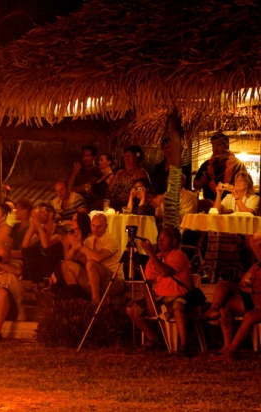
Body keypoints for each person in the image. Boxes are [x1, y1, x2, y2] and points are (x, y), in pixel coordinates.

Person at [127, 225, 192, 355]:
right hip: (158, 297)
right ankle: (152, 338)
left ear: (174, 241)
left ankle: (184, 345)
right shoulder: (154, 258)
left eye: (164, 238)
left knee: (178, 306)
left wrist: (151, 254)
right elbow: (147, 283)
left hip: (176, 296)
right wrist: (149, 300)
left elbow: (165, 272)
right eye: (159, 238)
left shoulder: (178, 256)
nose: (160, 240)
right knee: (131, 307)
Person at [72, 213, 124, 305]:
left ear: (106, 226)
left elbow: (98, 258)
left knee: (91, 263)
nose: (95, 229)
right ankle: (73, 299)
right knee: (67, 265)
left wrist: (81, 246)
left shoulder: (111, 240)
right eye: (93, 226)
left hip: (114, 280)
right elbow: (73, 258)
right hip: (95, 278)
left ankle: (95, 301)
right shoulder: (89, 241)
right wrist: (73, 242)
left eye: (99, 227)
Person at [193, 132, 247, 201]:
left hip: (232, 204)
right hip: (210, 204)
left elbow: (247, 184)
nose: (215, 149)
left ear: (227, 146)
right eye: (213, 146)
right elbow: (195, 185)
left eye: (218, 145)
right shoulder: (206, 164)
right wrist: (201, 182)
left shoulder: (238, 164)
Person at [21, 203, 64, 285]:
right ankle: (33, 283)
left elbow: (46, 245)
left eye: (42, 212)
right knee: (26, 252)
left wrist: (37, 224)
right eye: (38, 212)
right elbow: (25, 245)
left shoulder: (59, 229)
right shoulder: (42, 230)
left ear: (50, 214)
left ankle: (36, 284)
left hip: (55, 262)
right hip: (44, 262)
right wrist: (33, 225)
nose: (39, 215)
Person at [107, 145, 150, 211]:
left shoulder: (140, 172)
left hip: (131, 205)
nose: (127, 158)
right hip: (114, 204)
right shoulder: (119, 172)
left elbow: (140, 191)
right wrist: (110, 199)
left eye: (130, 156)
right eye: (125, 156)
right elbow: (109, 190)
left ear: (136, 158)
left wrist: (124, 199)